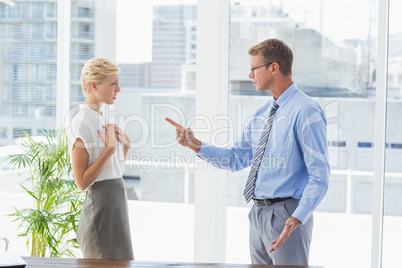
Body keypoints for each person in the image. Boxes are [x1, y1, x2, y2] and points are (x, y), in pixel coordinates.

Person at [166, 38, 329, 266]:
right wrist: (196, 145)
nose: (250, 76)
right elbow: (236, 158)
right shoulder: (262, 113)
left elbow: (319, 175)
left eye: (254, 69)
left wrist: (298, 217)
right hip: (257, 214)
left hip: (287, 214)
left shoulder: (306, 111)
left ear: (273, 68)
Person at [68, 57, 134, 260]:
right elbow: (81, 182)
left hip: (116, 201)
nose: (118, 89)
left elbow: (114, 172)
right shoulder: (81, 123)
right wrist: (110, 150)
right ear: (93, 85)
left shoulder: (100, 118)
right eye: (113, 84)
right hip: (102, 208)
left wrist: (126, 146)